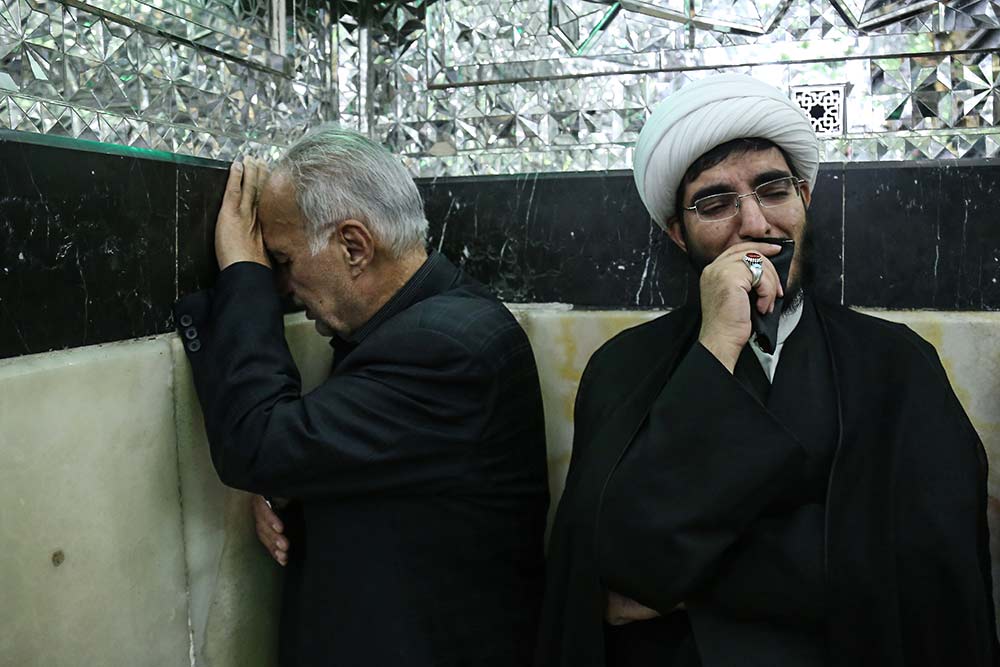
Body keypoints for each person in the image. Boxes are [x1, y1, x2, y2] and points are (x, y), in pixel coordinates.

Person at [537, 73, 998, 667]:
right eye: (715, 203)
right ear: (678, 234)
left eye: (772, 190)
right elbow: (612, 557)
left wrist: (696, 585)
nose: (755, 224)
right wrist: (716, 346)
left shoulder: (894, 363)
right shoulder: (622, 368)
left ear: (804, 198)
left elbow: (930, 564)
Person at [174, 125, 549, 666]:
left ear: (354, 246)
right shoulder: (420, 324)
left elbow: (257, 445)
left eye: (284, 261)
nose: (283, 288)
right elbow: (360, 459)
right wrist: (291, 483)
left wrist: (243, 273)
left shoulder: (444, 348)